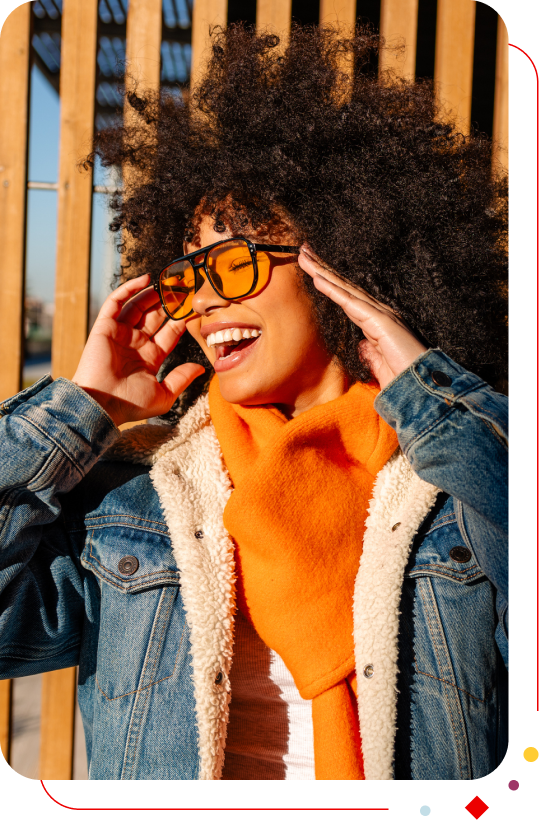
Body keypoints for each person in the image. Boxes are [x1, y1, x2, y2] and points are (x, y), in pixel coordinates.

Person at [0, 23, 508, 780]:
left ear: (343, 260)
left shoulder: (455, 483)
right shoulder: (132, 499)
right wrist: (80, 410)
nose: (201, 300)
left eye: (233, 262)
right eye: (185, 275)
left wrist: (437, 403)